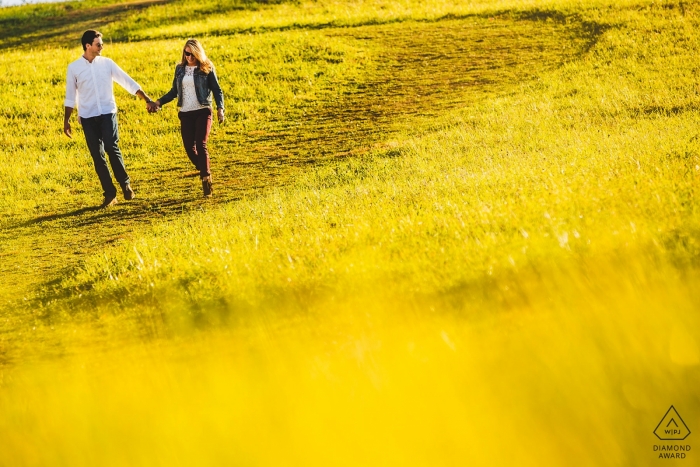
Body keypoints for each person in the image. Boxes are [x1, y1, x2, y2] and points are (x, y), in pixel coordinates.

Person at [64, 29, 156, 208]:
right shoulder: (74, 68)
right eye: (98, 44)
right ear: (88, 45)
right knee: (97, 156)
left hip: (107, 113)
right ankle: (110, 194)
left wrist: (147, 99)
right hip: (88, 117)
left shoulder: (107, 63)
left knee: (111, 147)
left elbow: (127, 81)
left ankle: (125, 184)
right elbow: (70, 96)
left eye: (102, 44)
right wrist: (66, 120)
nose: (102, 47)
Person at [149, 39, 224, 198]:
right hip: (186, 113)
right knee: (189, 147)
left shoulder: (206, 67)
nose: (188, 57)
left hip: (203, 110)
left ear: (198, 53)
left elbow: (217, 90)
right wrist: (159, 102)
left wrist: (220, 109)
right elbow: (174, 91)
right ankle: (204, 168)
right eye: (186, 53)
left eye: (191, 53)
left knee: (201, 144)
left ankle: (206, 179)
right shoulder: (180, 69)